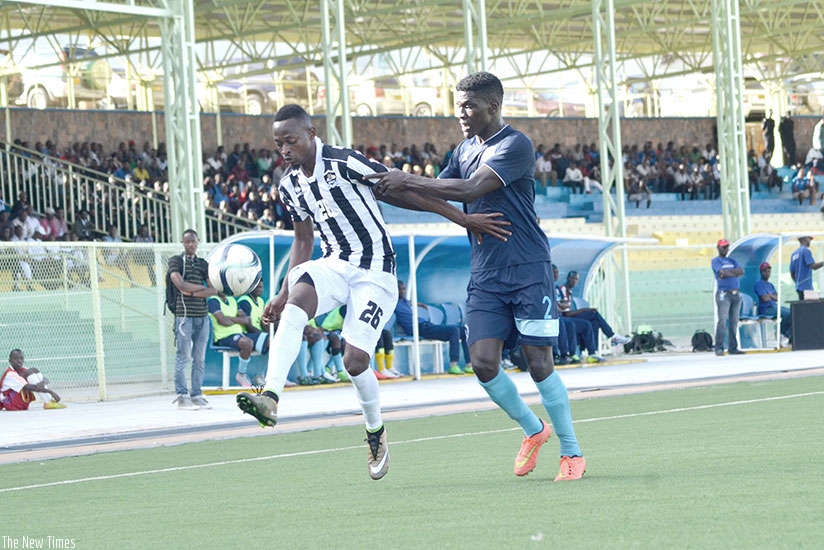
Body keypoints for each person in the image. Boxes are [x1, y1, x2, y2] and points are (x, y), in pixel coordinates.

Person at [369, 72, 587, 481]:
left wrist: (406, 178)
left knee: (538, 363)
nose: (461, 114)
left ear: (493, 106)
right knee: (483, 363)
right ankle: (534, 430)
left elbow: (469, 189)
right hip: (486, 273)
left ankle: (571, 452)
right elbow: (435, 193)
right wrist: (385, 188)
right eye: (458, 106)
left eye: (469, 106)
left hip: (527, 268)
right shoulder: (464, 149)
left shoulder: (515, 145)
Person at [168, 229, 216, 410]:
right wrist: (200, 289)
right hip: (184, 316)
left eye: (193, 241)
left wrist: (191, 292)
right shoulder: (176, 261)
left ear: (197, 242)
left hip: (202, 316)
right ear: (183, 242)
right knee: (183, 357)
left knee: (199, 358)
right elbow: (180, 285)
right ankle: (182, 396)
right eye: (187, 241)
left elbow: (213, 289)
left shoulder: (203, 264)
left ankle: (196, 395)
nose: (190, 245)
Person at [394, 280, 472, 375]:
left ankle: (469, 365)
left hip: (426, 325)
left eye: (403, 289)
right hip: (419, 329)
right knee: (454, 330)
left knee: (464, 330)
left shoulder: (404, 301)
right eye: (400, 289)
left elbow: (410, 302)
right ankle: (453, 365)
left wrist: (419, 304)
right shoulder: (393, 302)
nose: (402, 291)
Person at [557, 270, 630, 352]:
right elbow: (566, 313)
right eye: (572, 278)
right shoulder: (563, 290)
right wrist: (585, 309)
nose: (574, 281)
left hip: (569, 317)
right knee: (593, 314)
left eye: (576, 279)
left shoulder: (569, 291)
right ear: (567, 278)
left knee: (594, 322)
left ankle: (594, 351)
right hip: (564, 318)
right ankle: (612, 336)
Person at [208, 293, 259, 389]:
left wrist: (230, 318)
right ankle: (241, 374)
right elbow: (223, 321)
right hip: (223, 337)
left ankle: (261, 375)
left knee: (270, 341)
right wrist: (237, 320)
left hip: (239, 334)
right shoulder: (213, 301)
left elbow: (246, 320)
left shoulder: (232, 300)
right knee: (247, 343)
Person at [1, 349, 66, 410]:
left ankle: (48, 402)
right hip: (10, 403)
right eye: (15, 358)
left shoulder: (22, 369)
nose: (19, 361)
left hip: (19, 402)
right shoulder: (10, 374)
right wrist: (50, 392)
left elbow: (46, 379)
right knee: (28, 373)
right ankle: (48, 402)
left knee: (34, 370)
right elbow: (28, 387)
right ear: (10, 360)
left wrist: (42, 383)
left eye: (21, 358)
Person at [712, 239, 745, 356]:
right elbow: (721, 273)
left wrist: (727, 273)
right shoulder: (716, 261)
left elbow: (741, 271)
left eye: (726, 247)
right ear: (718, 248)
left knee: (734, 322)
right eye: (723, 247)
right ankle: (719, 347)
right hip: (724, 294)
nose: (725, 249)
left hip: (735, 293)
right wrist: (734, 273)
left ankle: (733, 347)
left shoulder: (732, 260)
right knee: (722, 321)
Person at [236, 280, 272, 386]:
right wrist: (264, 335)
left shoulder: (260, 301)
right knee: (270, 341)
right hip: (246, 334)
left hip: (258, 334)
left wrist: (269, 333)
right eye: (257, 287)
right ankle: (257, 375)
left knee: (275, 341)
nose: (260, 290)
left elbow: (263, 322)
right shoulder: (244, 301)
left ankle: (261, 375)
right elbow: (248, 326)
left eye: (261, 287)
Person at [753, 262, 792, 346]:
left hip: (774, 306)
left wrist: (770, 295)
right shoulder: (759, 283)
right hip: (766, 309)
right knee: (787, 314)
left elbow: (777, 298)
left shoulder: (770, 285)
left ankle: (784, 334)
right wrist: (772, 296)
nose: (767, 273)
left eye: (769, 271)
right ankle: (782, 334)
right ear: (761, 272)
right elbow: (765, 299)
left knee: (793, 312)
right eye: (765, 271)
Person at [789, 236, 823, 300]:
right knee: (810, 305)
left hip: (799, 288)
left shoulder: (794, 254)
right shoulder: (805, 251)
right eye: (809, 239)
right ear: (805, 239)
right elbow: (813, 266)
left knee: (802, 304)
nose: (810, 241)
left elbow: (792, 272)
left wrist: (798, 283)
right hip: (807, 287)